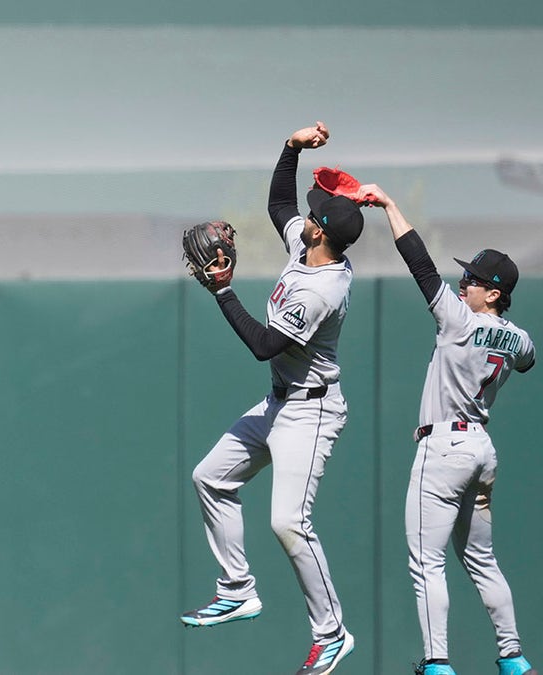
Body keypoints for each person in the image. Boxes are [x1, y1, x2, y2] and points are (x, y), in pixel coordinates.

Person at [181, 121, 364, 675]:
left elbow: (264, 345)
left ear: (320, 232)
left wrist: (223, 290)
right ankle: (237, 588)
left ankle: (331, 633)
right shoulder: (309, 246)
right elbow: (278, 200)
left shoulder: (321, 287)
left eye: (313, 214)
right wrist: (290, 146)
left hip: (311, 412)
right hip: (281, 401)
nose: (302, 216)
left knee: (289, 522)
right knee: (211, 476)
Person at [359, 183, 538, 675]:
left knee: (426, 564)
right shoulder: (520, 337)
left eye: (475, 280)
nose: (464, 284)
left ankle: (437, 663)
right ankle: (514, 658)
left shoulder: (458, 320)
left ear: (495, 292)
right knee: (483, 562)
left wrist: (390, 207)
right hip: (480, 449)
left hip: (444, 449)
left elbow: (419, 264)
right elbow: (525, 361)